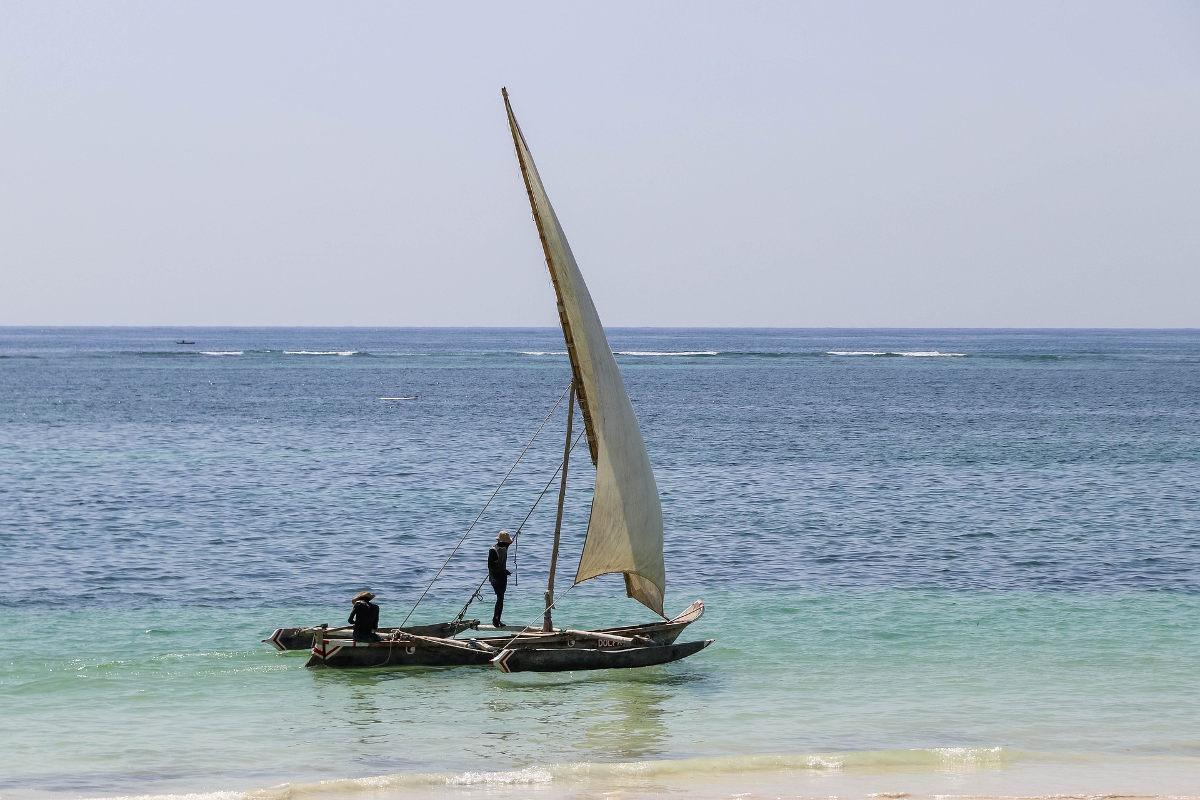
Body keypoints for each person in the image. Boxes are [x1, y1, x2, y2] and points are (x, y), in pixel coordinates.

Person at [488, 530, 513, 627]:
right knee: (500, 597)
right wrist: (504, 571)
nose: (508, 544)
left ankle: (498, 619)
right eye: (507, 542)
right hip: (495, 578)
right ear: (502, 542)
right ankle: (495, 619)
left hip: (502, 577)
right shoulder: (493, 550)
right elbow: (491, 567)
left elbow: (510, 542)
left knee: (501, 598)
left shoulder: (504, 547)